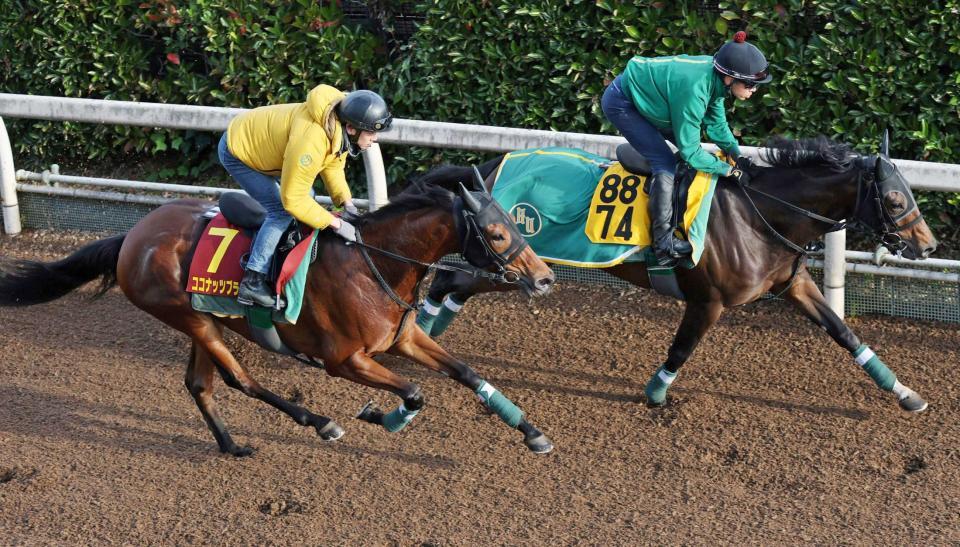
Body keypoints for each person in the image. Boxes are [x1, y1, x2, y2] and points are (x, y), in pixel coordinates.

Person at [601, 31, 771, 266]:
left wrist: (737, 156)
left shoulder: (716, 80)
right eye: (751, 84)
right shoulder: (695, 89)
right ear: (730, 78)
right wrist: (729, 171)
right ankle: (663, 243)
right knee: (666, 161)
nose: (754, 90)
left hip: (655, 99)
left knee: (692, 153)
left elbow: (717, 125)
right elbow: (692, 152)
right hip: (623, 103)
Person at [218, 85, 392, 307]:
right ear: (351, 128)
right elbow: (292, 201)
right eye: (370, 132)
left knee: (308, 195)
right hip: (238, 151)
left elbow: (333, 166)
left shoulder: (335, 122)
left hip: (264, 145)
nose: (374, 139)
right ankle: (252, 281)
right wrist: (336, 224)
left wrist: (346, 205)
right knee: (281, 210)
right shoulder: (311, 140)